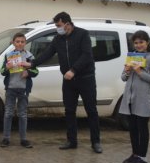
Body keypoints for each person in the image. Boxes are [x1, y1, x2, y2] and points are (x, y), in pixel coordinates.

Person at [31, 11, 102, 153]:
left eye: (59, 25)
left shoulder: (83, 35)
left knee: (91, 110)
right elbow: (47, 53)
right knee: (69, 111)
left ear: (67, 24)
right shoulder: (58, 39)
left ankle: (96, 142)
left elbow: (87, 55)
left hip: (85, 79)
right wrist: (32, 63)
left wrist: (73, 70)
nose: (57, 28)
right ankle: (72, 141)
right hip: (69, 81)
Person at [119, 30, 150, 163]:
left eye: (141, 42)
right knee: (133, 128)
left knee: (142, 128)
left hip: (143, 99)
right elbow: (123, 78)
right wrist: (127, 71)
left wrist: (139, 72)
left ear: (147, 42)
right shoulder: (132, 57)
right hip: (130, 99)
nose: (138, 45)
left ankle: (142, 157)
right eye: (136, 43)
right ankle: (135, 154)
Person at [0, 32, 39, 148]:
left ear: (25, 43)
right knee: (8, 113)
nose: (20, 44)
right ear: (13, 42)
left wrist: (28, 72)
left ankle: (23, 139)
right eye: (17, 41)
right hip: (11, 88)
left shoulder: (30, 56)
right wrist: (7, 68)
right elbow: (2, 71)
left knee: (23, 114)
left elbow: (36, 71)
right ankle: (6, 138)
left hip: (23, 89)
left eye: (22, 42)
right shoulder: (8, 55)